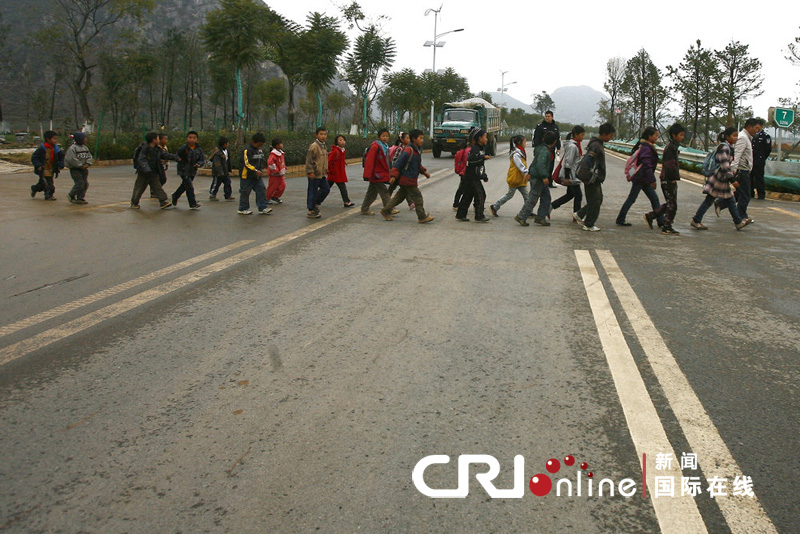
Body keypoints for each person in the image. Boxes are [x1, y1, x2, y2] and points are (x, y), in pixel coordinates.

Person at [690, 127, 750, 231]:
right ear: (727, 137)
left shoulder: (728, 147)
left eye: (737, 135)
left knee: (729, 199)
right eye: (734, 135)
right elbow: (725, 165)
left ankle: (738, 222)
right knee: (711, 200)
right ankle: (696, 220)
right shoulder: (725, 148)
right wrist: (733, 180)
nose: (736, 138)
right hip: (719, 179)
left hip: (722, 179)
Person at [380, 129, 434, 223]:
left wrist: (424, 172)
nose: (422, 140)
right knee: (417, 197)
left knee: (398, 198)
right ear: (414, 139)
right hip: (408, 179)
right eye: (420, 138)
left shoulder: (416, 150)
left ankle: (385, 211)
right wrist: (393, 175)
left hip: (409, 178)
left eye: (422, 138)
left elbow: (417, 164)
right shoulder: (409, 150)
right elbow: (398, 163)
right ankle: (422, 217)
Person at [615, 127, 664, 227]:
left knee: (653, 199)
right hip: (641, 178)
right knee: (634, 198)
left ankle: (661, 221)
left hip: (642, 178)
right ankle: (620, 219)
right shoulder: (647, 148)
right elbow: (647, 165)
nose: (657, 137)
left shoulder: (646, 146)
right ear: (649, 136)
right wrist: (652, 180)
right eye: (655, 135)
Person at [645, 123, 685, 236]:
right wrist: (672, 178)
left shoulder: (673, 146)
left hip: (668, 179)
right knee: (672, 205)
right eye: (681, 135)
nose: (682, 137)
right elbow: (669, 165)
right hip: (668, 179)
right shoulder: (671, 147)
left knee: (670, 203)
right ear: (674, 135)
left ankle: (651, 216)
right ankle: (667, 226)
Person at [576, 122, 616, 232]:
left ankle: (580, 214)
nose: (610, 138)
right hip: (592, 178)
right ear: (604, 134)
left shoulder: (596, 144)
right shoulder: (596, 146)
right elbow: (587, 162)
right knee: (595, 201)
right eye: (610, 135)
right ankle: (588, 224)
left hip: (593, 178)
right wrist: (586, 177)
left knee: (596, 200)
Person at [514, 131, 556, 226]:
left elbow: (534, 162)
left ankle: (540, 217)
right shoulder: (545, 152)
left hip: (537, 176)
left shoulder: (541, 149)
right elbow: (540, 164)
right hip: (538, 178)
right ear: (554, 142)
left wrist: (529, 172)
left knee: (546, 198)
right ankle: (521, 216)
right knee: (533, 198)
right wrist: (544, 176)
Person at [131, 132, 177, 210]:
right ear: (154, 140)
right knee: (140, 187)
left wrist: (176, 157)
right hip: (144, 172)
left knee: (157, 186)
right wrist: (146, 169)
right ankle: (134, 202)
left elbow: (164, 155)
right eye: (158, 138)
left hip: (153, 172)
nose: (159, 140)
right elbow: (141, 159)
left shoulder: (157, 149)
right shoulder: (145, 148)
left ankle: (163, 201)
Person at [455, 128, 491, 222]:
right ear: (479, 138)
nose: (486, 139)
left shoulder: (481, 148)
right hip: (472, 177)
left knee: (468, 195)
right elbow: (471, 161)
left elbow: (480, 166)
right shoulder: (475, 149)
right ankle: (479, 215)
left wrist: (484, 176)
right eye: (485, 137)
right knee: (481, 195)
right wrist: (483, 158)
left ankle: (460, 214)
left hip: (474, 176)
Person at [489, 135, 529, 216]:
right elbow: (519, 165)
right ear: (519, 143)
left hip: (520, 178)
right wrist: (526, 172)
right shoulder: (516, 153)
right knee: (510, 195)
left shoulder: (520, 151)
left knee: (526, 196)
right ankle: (495, 206)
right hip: (515, 178)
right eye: (524, 142)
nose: (526, 143)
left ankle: (527, 211)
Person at [729, 118, 759, 223]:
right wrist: (733, 170)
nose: (756, 130)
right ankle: (740, 216)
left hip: (745, 170)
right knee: (745, 195)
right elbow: (737, 155)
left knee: (742, 194)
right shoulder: (742, 138)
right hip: (741, 171)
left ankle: (720, 204)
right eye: (755, 128)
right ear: (749, 127)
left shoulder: (747, 137)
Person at [551, 126, 585, 219]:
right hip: (571, 175)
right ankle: (577, 215)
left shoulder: (575, 145)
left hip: (572, 173)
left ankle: (551, 206)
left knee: (570, 194)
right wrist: (566, 177)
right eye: (582, 135)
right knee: (578, 195)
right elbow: (568, 163)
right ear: (576, 135)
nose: (583, 137)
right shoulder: (572, 146)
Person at [360, 129, 394, 216]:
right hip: (376, 174)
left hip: (380, 174)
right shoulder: (375, 147)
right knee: (384, 192)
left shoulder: (385, 147)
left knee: (372, 193)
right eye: (383, 136)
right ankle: (389, 208)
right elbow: (369, 161)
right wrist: (367, 174)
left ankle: (364, 209)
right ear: (379, 137)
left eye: (387, 136)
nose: (385, 138)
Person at [238, 132, 272, 216]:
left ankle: (262, 207)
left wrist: (262, 168)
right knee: (245, 192)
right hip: (247, 176)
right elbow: (247, 163)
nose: (260, 147)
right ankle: (243, 208)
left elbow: (261, 160)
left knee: (261, 189)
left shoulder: (259, 150)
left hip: (257, 176)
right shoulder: (247, 150)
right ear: (253, 142)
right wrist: (255, 170)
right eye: (259, 145)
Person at [171, 131, 205, 210]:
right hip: (183, 170)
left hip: (192, 171)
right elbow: (176, 155)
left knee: (184, 186)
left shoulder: (199, 150)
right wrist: (178, 159)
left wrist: (199, 164)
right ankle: (192, 203)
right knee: (189, 187)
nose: (192, 140)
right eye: (190, 138)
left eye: (194, 138)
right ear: (187, 139)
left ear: (197, 140)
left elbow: (202, 160)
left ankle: (175, 196)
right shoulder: (183, 148)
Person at [30, 131, 64, 201]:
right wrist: (38, 165)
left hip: (51, 170)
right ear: (48, 139)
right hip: (43, 170)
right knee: (48, 184)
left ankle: (34, 188)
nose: (55, 140)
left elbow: (62, 157)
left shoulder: (56, 149)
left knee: (42, 184)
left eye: (56, 139)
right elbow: (34, 158)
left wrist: (61, 164)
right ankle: (49, 195)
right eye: (54, 139)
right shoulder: (42, 149)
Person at [305, 127, 330, 218]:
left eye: (325, 134)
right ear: (316, 135)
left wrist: (326, 169)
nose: (323, 136)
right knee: (312, 191)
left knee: (326, 189)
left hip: (321, 174)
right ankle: (311, 210)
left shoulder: (324, 146)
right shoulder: (314, 146)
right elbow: (309, 160)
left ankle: (315, 203)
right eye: (321, 134)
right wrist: (310, 171)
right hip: (314, 174)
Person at [533, 111, 561, 188]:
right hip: (542, 149)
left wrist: (558, 148)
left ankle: (549, 182)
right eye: (546, 116)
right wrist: (537, 148)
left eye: (548, 116)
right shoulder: (540, 127)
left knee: (551, 165)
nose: (547, 118)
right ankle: (541, 181)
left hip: (551, 149)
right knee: (542, 164)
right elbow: (536, 138)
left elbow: (557, 138)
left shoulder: (555, 127)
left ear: (552, 117)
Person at [64, 131, 93, 204]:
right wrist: (80, 165)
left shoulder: (85, 148)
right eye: (84, 138)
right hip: (75, 169)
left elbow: (89, 156)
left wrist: (87, 164)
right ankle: (71, 195)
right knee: (80, 183)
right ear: (80, 139)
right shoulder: (72, 148)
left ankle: (80, 198)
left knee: (85, 184)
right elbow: (71, 159)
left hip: (84, 169)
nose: (86, 139)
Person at [327, 134, 355, 207]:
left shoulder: (342, 150)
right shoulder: (335, 151)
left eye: (343, 140)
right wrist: (330, 170)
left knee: (327, 188)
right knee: (328, 188)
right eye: (340, 140)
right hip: (335, 173)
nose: (342, 142)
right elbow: (329, 162)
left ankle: (317, 199)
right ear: (336, 142)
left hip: (339, 173)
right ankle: (346, 201)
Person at [389, 132, 414, 210]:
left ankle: (410, 203)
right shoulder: (400, 149)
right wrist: (396, 170)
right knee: (394, 188)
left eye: (409, 138)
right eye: (407, 138)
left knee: (403, 188)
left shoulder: (408, 148)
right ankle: (387, 202)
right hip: (397, 173)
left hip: (402, 173)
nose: (409, 140)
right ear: (402, 140)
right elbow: (394, 160)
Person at [208, 136, 235, 201]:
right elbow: (217, 163)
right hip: (218, 173)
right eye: (227, 143)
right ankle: (212, 195)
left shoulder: (226, 151)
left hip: (225, 172)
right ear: (224, 144)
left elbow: (227, 161)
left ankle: (228, 195)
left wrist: (228, 169)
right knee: (216, 183)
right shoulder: (217, 153)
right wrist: (220, 172)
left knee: (228, 183)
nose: (228, 144)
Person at [751, 118, 770, 200]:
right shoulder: (752, 135)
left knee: (759, 178)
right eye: (755, 126)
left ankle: (761, 194)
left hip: (760, 161)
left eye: (758, 126)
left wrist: (762, 158)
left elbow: (768, 150)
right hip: (751, 160)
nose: (757, 128)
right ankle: (750, 193)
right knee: (750, 177)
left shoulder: (765, 136)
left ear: (761, 126)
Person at [452, 136, 473, 211]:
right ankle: (456, 204)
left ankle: (456, 204)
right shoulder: (469, 150)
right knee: (464, 189)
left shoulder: (463, 150)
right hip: (466, 172)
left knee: (462, 189)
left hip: (463, 172)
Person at [149, 133, 172, 198]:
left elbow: (166, 156)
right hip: (156, 166)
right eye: (165, 139)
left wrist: (167, 165)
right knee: (156, 179)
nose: (166, 140)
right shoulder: (156, 147)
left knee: (163, 179)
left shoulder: (165, 148)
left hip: (161, 166)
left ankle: (155, 190)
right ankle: (154, 192)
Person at [267, 138, 287, 204]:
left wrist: (284, 167)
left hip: (280, 174)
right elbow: (270, 162)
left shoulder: (280, 153)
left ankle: (275, 196)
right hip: (274, 174)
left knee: (282, 186)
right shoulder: (273, 154)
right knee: (272, 187)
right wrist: (275, 170)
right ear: (276, 145)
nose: (282, 145)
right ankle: (267, 198)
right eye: (280, 144)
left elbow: (281, 162)